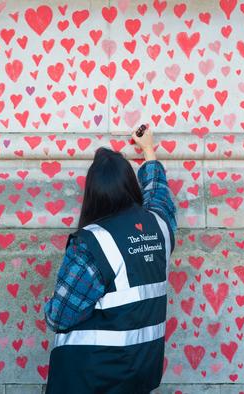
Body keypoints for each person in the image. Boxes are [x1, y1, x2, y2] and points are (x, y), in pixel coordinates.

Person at [43, 124, 178, 394]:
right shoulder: (159, 227)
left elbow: (58, 317)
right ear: (129, 185)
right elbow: (159, 196)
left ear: (93, 194)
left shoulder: (93, 244)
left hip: (90, 379)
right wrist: (148, 150)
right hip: (139, 374)